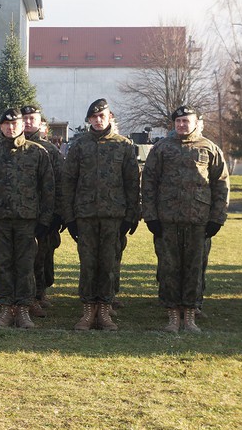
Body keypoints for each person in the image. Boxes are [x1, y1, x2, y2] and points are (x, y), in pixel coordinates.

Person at [141, 105, 228, 333]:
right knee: (169, 268)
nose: (182, 125)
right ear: (174, 124)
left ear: (196, 122)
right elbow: (148, 183)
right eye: (178, 122)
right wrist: (151, 217)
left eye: (186, 121)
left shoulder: (209, 148)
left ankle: (190, 315)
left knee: (194, 268)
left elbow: (221, 184)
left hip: (198, 221)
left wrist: (217, 218)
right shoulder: (161, 148)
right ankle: (172, 316)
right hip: (167, 221)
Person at [62, 98, 140, 331]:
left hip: (113, 216)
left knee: (108, 264)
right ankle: (88, 312)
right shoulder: (79, 145)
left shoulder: (124, 145)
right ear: (88, 120)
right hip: (85, 216)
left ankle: (104, 312)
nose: (98, 120)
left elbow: (132, 183)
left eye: (102, 116)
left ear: (110, 117)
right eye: (93, 117)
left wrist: (131, 216)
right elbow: (68, 182)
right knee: (87, 264)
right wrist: (70, 218)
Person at [0, 108, 55, 328]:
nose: (12, 128)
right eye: (7, 124)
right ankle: (5, 309)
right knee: (2, 265)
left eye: (15, 124)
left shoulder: (37, 153)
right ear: (1, 127)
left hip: (28, 220)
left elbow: (47, 189)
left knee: (25, 265)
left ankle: (23, 310)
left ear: (21, 126)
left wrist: (45, 221)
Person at [21, 105, 64, 316]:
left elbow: (59, 184)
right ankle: (22, 297)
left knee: (42, 256)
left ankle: (39, 294)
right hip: (19, 214)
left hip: (43, 215)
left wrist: (56, 215)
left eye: (32, 118)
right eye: (25, 118)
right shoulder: (12, 146)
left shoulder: (51, 150)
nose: (28, 122)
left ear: (40, 123)